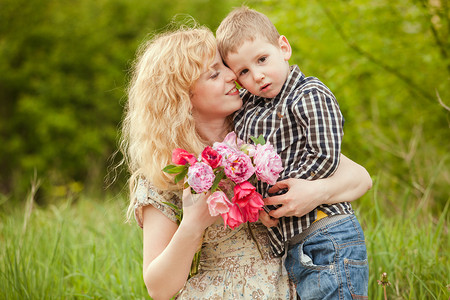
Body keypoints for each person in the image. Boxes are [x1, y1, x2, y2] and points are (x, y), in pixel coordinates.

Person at [120, 24, 372, 299]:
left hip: (296, 284)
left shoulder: (263, 129)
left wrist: (314, 192)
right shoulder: (169, 171)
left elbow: (360, 178)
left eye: (228, 67)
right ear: (182, 99)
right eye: (215, 73)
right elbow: (158, 288)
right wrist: (193, 224)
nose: (232, 76)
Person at [216, 6, 370, 299]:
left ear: (283, 48)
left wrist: (278, 196)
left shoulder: (307, 95)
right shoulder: (249, 108)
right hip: (294, 243)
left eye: (262, 60)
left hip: (327, 235)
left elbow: (325, 156)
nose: (258, 76)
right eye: (244, 72)